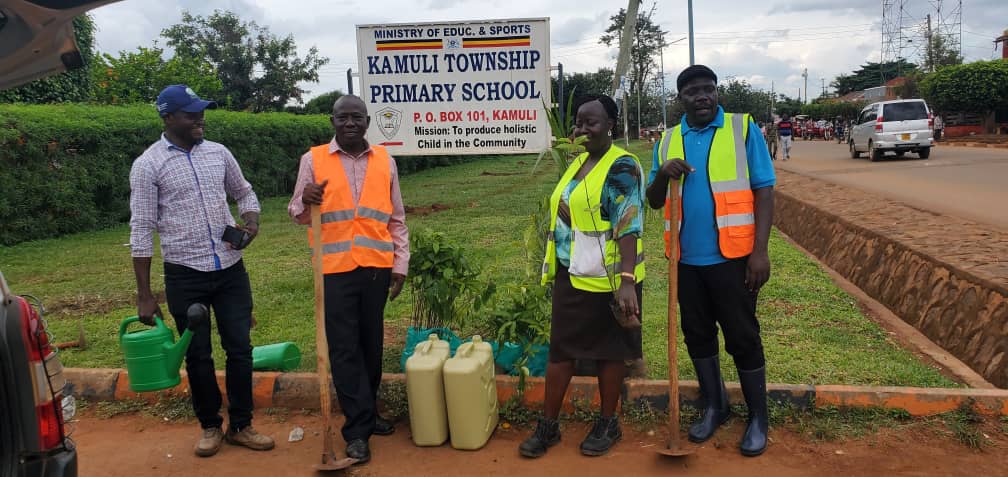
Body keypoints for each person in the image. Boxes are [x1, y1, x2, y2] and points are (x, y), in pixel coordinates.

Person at [129, 84, 274, 457]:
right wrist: (145, 295)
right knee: (197, 354)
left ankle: (242, 425)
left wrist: (251, 221)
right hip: (184, 273)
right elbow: (142, 227)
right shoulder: (148, 165)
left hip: (229, 268)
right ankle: (210, 426)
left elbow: (244, 192)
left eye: (201, 112)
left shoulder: (219, 154)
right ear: (168, 117)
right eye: (191, 113)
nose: (200, 119)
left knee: (240, 348)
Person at [645, 65, 776, 457]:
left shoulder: (741, 129)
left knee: (742, 336)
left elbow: (764, 190)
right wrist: (661, 175)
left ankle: (758, 417)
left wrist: (760, 251)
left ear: (716, 93)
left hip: (734, 259)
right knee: (697, 335)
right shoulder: (668, 141)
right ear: (680, 98)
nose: (702, 96)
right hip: (684, 263)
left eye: (709, 89)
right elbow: (654, 199)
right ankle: (716, 405)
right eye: (693, 92)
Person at [519, 94, 646, 459]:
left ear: (611, 126)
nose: (582, 128)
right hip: (572, 274)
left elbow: (629, 223)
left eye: (592, 122)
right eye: (579, 122)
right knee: (561, 351)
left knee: (610, 354)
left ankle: (608, 422)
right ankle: (548, 426)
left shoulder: (621, 166)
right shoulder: (579, 164)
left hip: (610, 280)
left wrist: (626, 282)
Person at [288, 95, 410, 465]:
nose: (351, 123)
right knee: (343, 349)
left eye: (357, 117)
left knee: (371, 345)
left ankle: (368, 412)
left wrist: (400, 263)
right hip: (335, 269)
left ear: (367, 121)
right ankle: (356, 431)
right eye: (343, 118)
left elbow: (396, 217)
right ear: (333, 122)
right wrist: (305, 201)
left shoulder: (385, 160)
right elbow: (297, 212)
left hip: (375, 266)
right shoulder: (313, 160)